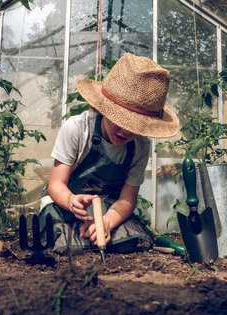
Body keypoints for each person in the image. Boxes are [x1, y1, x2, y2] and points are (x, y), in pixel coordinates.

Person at [39, 52, 180, 253]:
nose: (127, 131)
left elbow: (127, 199)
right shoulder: (77, 129)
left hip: (108, 207)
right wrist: (71, 201)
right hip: (65, 203)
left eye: (137, 126)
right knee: (63, 244)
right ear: (103, 109)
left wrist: (106, 222)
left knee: (127, 243)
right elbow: (56, 185)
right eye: (121, 120)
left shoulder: (140, 146)